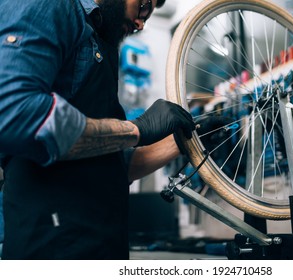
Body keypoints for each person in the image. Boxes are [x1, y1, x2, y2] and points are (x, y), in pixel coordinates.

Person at [0, 0, 195, 259]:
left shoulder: (102, 42)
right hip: (51, 251)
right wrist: (136, 130)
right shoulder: (50, 5)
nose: (140, 23)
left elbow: (104, 162)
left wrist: (185, 143)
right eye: (144, 6)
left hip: (103, 248)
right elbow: (14, 114)